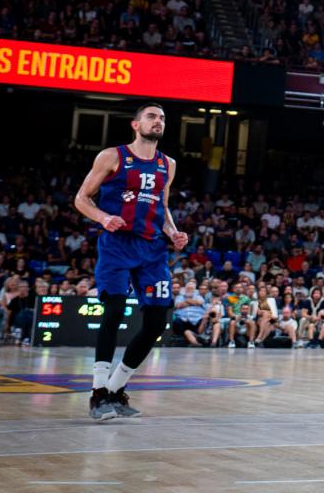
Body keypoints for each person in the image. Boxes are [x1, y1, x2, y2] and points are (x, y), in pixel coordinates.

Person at [74, 103, 189, 420]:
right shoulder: (112, 156)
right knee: (113, 311)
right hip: (118, 245)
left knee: (156, 321)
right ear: (136, 124)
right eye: (152, 116)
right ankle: (98, 394)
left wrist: (173, 232)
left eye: (163, 117)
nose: (159, 121)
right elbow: (81, 198)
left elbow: (162, 206)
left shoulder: (169, 164)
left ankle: (116, 389)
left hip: (152, 249)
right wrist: (103, 217)